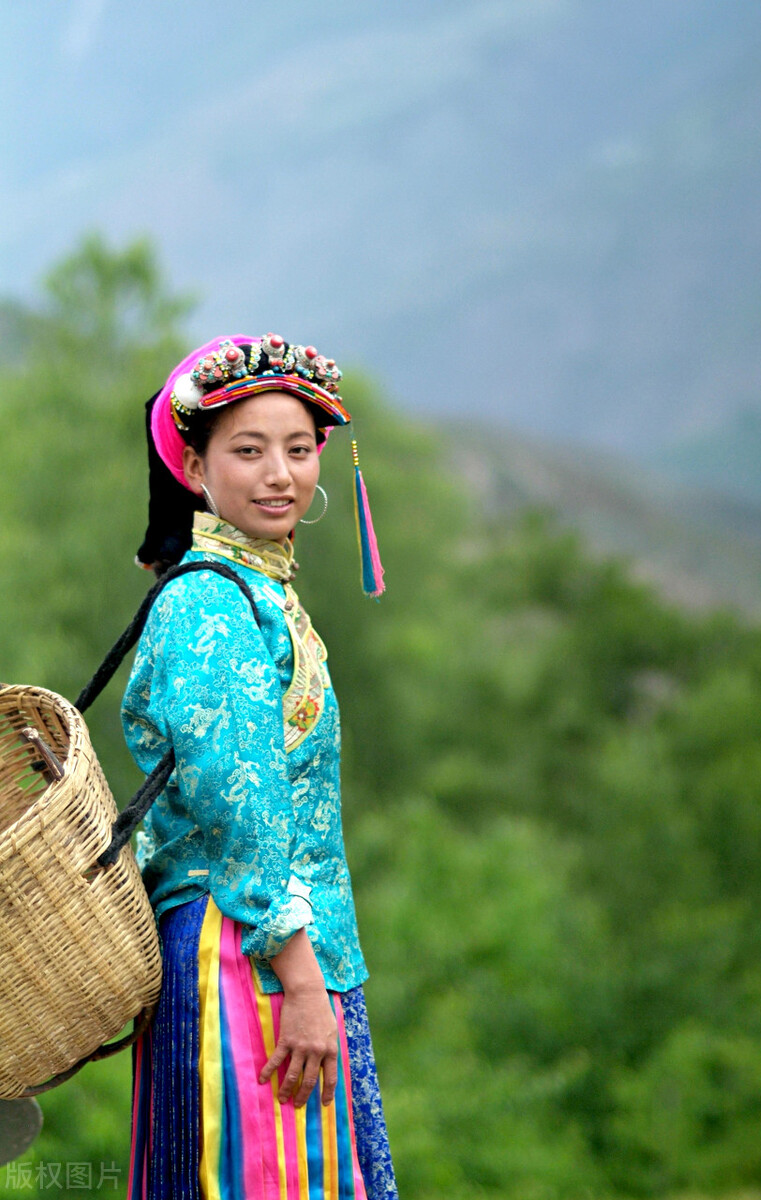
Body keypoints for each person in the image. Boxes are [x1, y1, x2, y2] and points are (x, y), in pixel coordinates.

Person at [121, 334, 396, 1200]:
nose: (279, 474)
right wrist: (302, 981)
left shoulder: (260, 591)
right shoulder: (209, 602)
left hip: (274, 949)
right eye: (248, 450)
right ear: (196, 469)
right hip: (244, 954)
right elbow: (242, 807)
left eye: (299, 448)